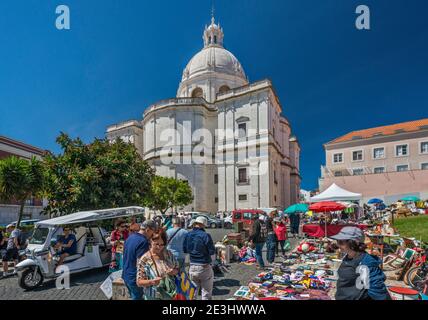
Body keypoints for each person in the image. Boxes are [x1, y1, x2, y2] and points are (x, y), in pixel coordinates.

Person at [331, 227, 391, 300]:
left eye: (341, 242)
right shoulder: (349, 256)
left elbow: (378, 291)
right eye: (337, 241)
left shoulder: (365, 263)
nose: (338, 245)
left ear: (353, 243)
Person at [136, 231, 179, 300]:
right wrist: (152, 281)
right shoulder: (145, 259)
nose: (159, 247)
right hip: (153, 296)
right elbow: (139, 282)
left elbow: (177, 268)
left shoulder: (168, 254)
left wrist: (174, 271)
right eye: (156, 244)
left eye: (162, 244)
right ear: (151, 241)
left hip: (171, 295)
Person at [122, 220, 158, 300]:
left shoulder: (130, 237)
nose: (153, 235)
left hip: (126, 275)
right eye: (153, 232)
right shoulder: (143, 241)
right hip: (135, 278)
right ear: (148, 229)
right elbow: (140, 264)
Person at [183, 216, 215, 300]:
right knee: (206, 293)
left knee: (192, 292)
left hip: (192, 266)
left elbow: (185, 250)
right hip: (204, 265)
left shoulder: (188, 234)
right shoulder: (205, 235)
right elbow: (212, 251)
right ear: (203, 225)